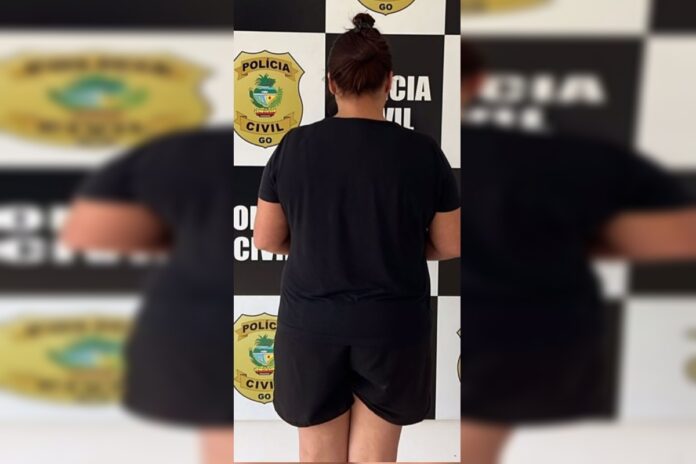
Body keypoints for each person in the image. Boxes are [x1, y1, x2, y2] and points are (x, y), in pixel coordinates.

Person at [458, 41, 696, 464]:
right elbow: (679, 235)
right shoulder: (559, 160)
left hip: (479, 349)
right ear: (478, 82)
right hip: (536, 349)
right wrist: (587, 239)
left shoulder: (415, 156)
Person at [253, 13, 461, 463]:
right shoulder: (423, 153)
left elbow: (267, 238)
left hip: (312, 325)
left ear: (331, 83)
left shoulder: (293, 147)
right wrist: (397, 247)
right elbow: (449, 244)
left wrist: (316, 244)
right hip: (392, 326)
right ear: (390, 82)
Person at [61, 127, 235, 464]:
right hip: (300, 321)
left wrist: (182, 240)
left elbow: (88, 232)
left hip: (197, 332)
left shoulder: (182, 152)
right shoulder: (335, 148)